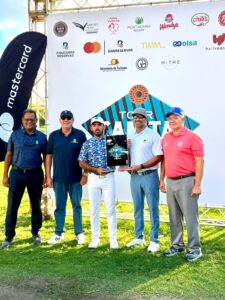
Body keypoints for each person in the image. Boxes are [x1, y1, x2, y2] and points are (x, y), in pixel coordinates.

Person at [160, 107, 204, 262]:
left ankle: (195, 249)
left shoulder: (193, 137)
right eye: (170, 118)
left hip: (187, 181)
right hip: (170, 181)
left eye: (176, 118)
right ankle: (177, 246)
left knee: (191, 217)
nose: (172, 121)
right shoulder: (165, 137)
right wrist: (162, 180)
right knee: (174, 216)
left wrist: (197, 184)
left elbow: (199, 162)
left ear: (183, 119)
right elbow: (164, 160)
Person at [2, 109, 47, 247]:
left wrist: (46, 175)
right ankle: (9, 237)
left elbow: (46, 157)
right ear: (22, 120)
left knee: (36, 204)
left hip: (35, 174)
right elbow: (9, 155)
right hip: (17, 174)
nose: (29, 122)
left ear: (35, 121)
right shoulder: (14, 135)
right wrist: (5, 175)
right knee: (12, 206)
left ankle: (35, 232)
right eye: (27, 119)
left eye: (32, 119)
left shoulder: (42, 137)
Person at [123, 107, 163, 253]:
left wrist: (140, 165)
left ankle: (154, 240)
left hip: (149, 175)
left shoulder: (153, 135)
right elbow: (125, 156)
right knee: (137, 208)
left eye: (140, 117)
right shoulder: (130, 134)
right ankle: (139, 236)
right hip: (135, 177)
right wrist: (125, 150)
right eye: (135, 117)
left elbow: (158, 157)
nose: (137, 119)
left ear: (146, 119)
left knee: (153, 208)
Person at [46, 110, 87, 245]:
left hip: (76, 179)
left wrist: (85, 174)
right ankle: (58, 233)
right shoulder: (53, 136)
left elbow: (86, 156)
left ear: (73, 119)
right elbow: (48, 156)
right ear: (60, 120)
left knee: (77, 206)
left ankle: (79, 233)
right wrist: (48, 176)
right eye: (63, 117)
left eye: (68, 117)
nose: (66, 120)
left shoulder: (80, 135)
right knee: (59, 207)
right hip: (59, 179)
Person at [78, 116, 118, 249]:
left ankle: (113, 239)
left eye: (99, 125)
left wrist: (125, 148)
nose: (97, 127)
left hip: (108, 178)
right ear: (91, 128)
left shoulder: (113, 142)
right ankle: (95, 238)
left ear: (104, 126)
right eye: (94, 125)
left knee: (110, 209)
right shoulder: (87, 144)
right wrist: (95, 169)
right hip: (93, 179)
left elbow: (121, 158)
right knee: (94, 210)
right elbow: (81, 162)